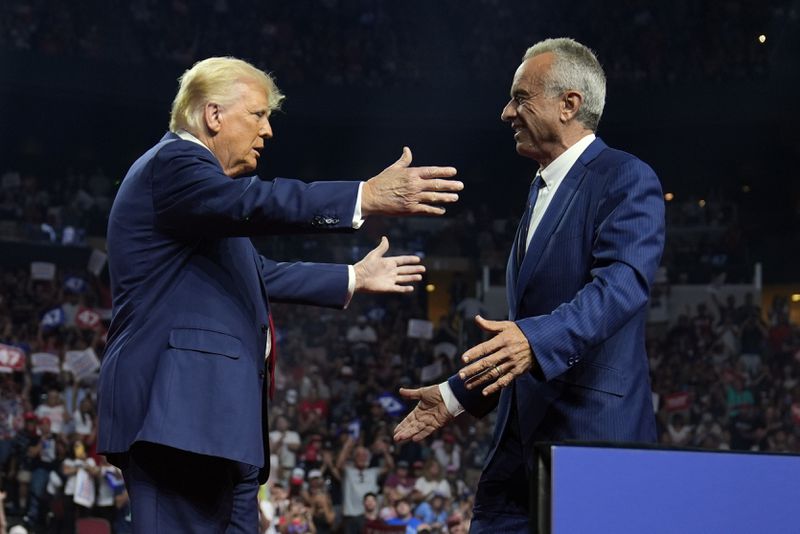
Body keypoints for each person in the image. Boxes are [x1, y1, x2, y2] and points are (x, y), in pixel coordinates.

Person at [97, 56, 462, 534]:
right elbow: (255, 202)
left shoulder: (202, 205)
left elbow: (258, 273)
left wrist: (351, 276)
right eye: (258, 115)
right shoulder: (174, 163)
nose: (267, 131)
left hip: (222, 425)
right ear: (213, 115)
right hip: (179, 416)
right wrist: (361, 197)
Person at [395, 37, 665, 531]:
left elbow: (621, 287)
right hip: (517, 451)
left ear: (569, 104)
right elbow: (522, 336)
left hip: (591, 443)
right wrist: (458, 395)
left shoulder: (625, 177)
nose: (505, 112)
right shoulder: (540, 190)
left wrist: (531, 340)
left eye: (521, 98)